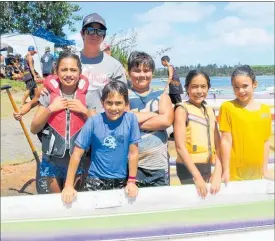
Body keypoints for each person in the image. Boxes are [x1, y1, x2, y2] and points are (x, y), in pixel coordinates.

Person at [61, 81, 141, 204]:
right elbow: (77, 154)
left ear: (126, 104)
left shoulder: (131, 120)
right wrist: (68, 186)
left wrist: (131, 181)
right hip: (95, 180)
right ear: (102, 103)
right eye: (109, 103)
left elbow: (133, 153)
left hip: (121, 180)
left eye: (118, 103)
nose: (114, 108)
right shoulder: (94, 121)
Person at [30, 51, 95, 193]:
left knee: (74, 201)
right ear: (56, 72)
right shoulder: (47, 95)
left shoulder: (89, 96)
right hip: (52, 160)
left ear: (80, 72)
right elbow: (34, 128)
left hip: (79, 160)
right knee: (56, 201)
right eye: (64, 69)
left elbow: (99, 129)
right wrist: (51, 109)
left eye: (73, 70)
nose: (69, 74)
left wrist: (84, 110)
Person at [219, 65, 273, 184]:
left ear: (254, 84)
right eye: (236, 87)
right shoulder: (228, 107)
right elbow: (226, 140)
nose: (240, 91)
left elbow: (265, 142)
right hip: (234, 173)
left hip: (258, 173)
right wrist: (226, 170)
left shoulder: (265, 110)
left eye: (245, 86)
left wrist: (265, 171)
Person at [128, 51, 174, 187]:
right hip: (131, 163)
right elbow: (123, 120)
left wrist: (133, 120)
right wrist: (154, 115)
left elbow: (166, 121)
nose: (142, 75)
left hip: (158, 165)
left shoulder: (161, 95)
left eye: (146, 71)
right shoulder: (124, 95)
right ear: (129, 72)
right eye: (137, 71)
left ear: (152, 73)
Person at [174, 70, 222, 199]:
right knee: (193, 202)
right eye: (194, 87)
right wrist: (197, 176)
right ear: (187, 89)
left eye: (203, 86)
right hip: (189, 170)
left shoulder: (209, 111)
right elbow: (180, 147)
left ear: (208, 88)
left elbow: (218, 146)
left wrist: (217, 172)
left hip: (207, 166)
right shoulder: (182, 110)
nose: (199, 91)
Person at [79, 13, 127, 114]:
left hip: (104, 123)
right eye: (90, 30)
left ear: (103, 36)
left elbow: (122, 99)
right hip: (75, 123)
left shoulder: (115, 66)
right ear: (82, 33)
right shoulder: (69, 62)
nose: (95, 34)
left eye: (100, 31)